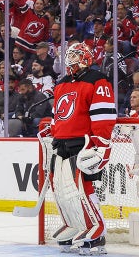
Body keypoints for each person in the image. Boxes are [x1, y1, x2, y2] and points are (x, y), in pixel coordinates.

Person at [48, 43, 116, 253]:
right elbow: (58, 113)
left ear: (86, 57)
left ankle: (97, 227)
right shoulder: (62, 83)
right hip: (61, 141)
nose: (72, 59)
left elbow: (103, 116)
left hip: (83, 142)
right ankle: (73, 223)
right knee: (57, 185)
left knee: (82, 188)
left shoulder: (98, 80)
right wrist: (52, 129)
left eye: (76, 55)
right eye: (70, 55)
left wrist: (101, 145)